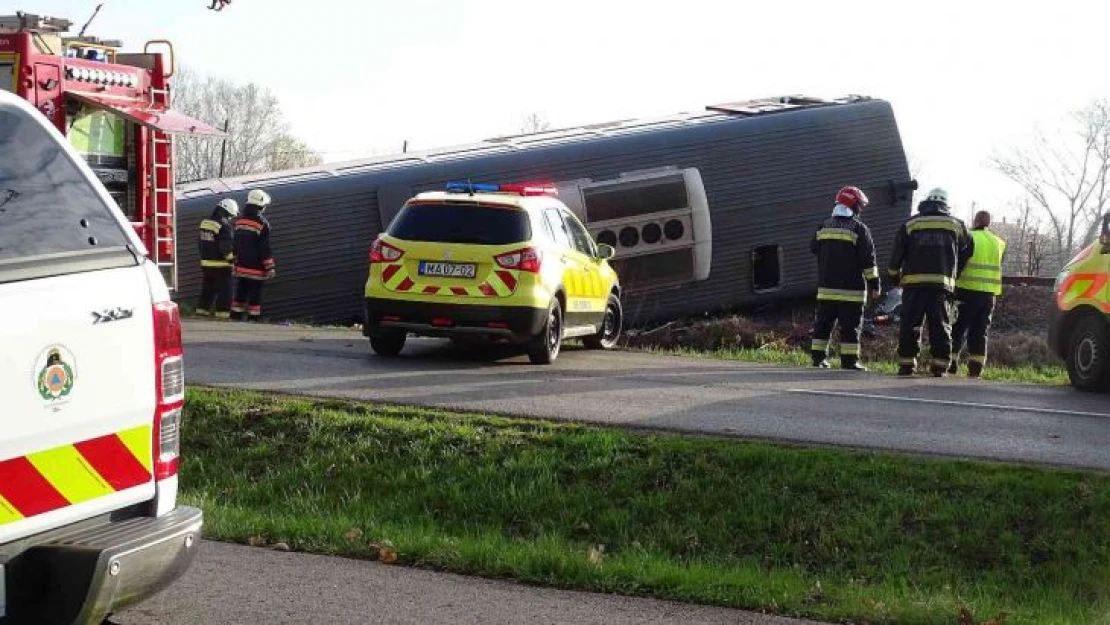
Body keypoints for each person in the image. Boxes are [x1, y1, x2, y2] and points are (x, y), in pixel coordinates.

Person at [888, 188, 973, 377]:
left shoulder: (910, 224)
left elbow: (896, 256)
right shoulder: (957, 225)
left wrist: (894, 277)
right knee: (940, 326)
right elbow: (967, 251)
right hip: (941, 287)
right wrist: (954, 273)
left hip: (913, 285)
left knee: (910, 324)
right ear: (946, 205)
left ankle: (906, 365)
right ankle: (939, 367)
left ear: (927, 201)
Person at [809, 186, 881, 370]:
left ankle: (818, 358)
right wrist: (875, 284)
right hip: (852, 290)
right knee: (851, 327)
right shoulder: (859, 229)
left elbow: (813, 248)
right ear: (854, 206)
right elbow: (868, 261)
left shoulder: (823, 225)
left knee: (823, 324)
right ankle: (849, 361)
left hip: (826, 288)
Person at [950, 210, 1006, 378]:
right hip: (989, 294)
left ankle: (951, 364)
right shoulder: (999, 242)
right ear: (989, 223)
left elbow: (959, 263)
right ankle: (976, 368)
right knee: (980, 330)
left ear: (975, 221)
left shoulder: (969, 237)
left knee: (957, 328)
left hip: (966, 290)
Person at [230, 189, 276, 322]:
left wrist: (234, 262)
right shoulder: (262, 224)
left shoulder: (239, 222)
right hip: (256, 268)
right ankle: (253, 320)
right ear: (261, 206)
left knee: (240, 292)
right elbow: (264, 248)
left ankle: (235, 317)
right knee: (255, 295)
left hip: (241, 266)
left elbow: (235, 245)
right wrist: (270, 267)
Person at [195, 198, 238, 318]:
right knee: (225, 291)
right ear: (227, 212)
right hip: (222, 265)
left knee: (207, 290)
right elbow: (225, 248)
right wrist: (231, 261)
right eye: (231, 216)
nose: (230, 219)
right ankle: (222, 316)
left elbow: (200, 243)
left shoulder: (204, 223)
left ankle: (202, 312)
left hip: (206, 264)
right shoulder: (224, 226)